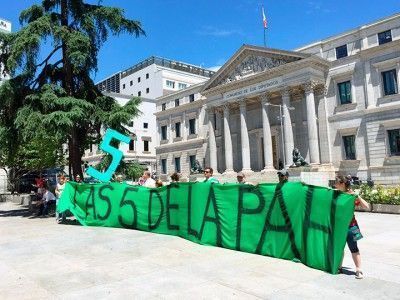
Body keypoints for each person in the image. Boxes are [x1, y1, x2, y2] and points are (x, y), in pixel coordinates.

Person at [335, 175, 370, 279]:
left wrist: (357, 196)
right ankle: (339, 267)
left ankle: (359, 269)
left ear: (342, 184)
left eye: (336, 182)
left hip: (351, 226)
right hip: (339, 227)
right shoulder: (336, 194)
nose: (334, 184)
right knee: (339, 247)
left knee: (353, 247)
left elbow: (366, 206)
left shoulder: (351, 196)